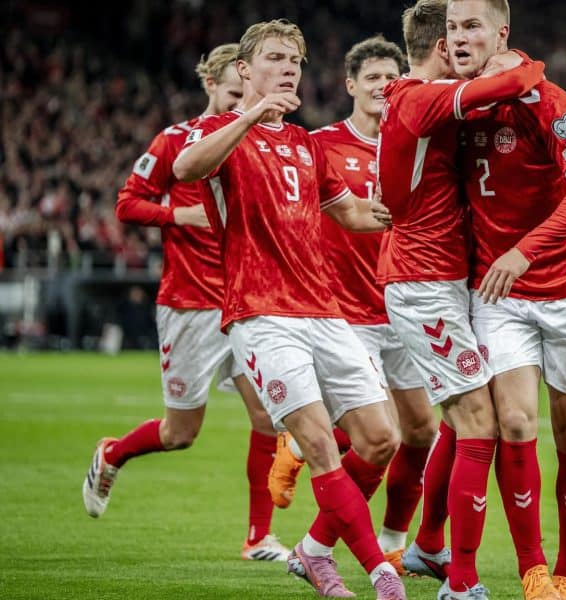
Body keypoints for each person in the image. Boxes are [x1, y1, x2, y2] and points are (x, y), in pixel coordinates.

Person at [172, 20, 406, 599]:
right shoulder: (221, 130)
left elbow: (351, 213)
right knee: (322, 442)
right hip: (260, 313)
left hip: (324, 311)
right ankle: (377, 573)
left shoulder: (306, 144)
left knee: (382, 438)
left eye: (295, 62)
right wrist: (253, 114)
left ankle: (311, 548)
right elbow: (185, 170)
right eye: (275, 59)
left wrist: (409, 215)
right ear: (246, 71)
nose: (288, 70)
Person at [82, 43, 290, 563]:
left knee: (268, 416)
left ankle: (257, 537)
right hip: (189, 304)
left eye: (248, 96)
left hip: (244, 302)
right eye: (233, 94)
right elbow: (127, 203)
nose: (241, 102)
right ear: (212, 86)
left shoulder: (261, 141)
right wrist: (179, 216)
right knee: (181, 433)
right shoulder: (177, 141)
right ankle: (113, 453)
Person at [377, 2, 546, 598]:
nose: (463, 43)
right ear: (442, 48)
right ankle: (462, 582)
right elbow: (523, 80)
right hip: (424, 287)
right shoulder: (419, 96)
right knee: (480, 425)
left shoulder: (413, 100)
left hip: (444, 280)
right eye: (456, 33)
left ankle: (425, 546)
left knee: (459, 421)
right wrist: (516, 58)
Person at [447, 2, 566, 598]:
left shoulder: (547, 100)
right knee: (514, 421)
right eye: (453, 27)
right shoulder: (451, 103)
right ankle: (533, 569)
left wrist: (526, 249)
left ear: (501, 33)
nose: (461, 37)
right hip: (498, 291)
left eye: (473, 26)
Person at [268, 34, 440, 575]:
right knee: (378, 433)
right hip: (342, 312)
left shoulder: (412, 143)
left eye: (392, 79)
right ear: (351, 85)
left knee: (422, 431)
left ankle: (390, 536)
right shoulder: (319, 145)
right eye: (372, 78)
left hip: (400, 307)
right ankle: (306, 477)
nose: (383, 88)